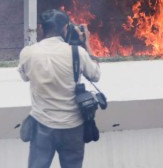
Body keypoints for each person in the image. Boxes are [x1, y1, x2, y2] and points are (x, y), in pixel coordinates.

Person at [18, 9, 101, 168]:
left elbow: (24, 77)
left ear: (41, 29)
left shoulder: (28, 53)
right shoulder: (77, 53)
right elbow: (95, 75)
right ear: (65, 28)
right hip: (73, 128)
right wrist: (87, 43)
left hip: (42, 126)